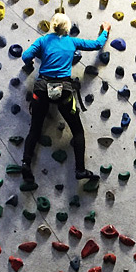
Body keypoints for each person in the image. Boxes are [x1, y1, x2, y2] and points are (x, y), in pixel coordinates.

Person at [20, 13, 111, 185]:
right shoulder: (72, 42)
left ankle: (26, 163)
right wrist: (105, 30)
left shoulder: (43, 41)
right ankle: (80, 170)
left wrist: (32, 61)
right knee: (77, 131)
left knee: (35, 129)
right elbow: (97, 44)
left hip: (42, 89)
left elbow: (25, 57)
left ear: (52, 26)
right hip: (62, 90)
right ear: (67, 28)